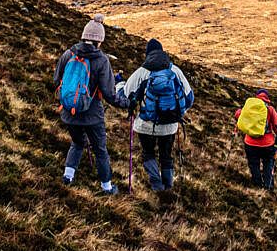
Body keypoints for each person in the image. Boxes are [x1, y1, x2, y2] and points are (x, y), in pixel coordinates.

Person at [54, 14, 127, 195]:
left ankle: (68, 176)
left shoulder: (68, 54)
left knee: (77, 143)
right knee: (100, 150)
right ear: (99, 41)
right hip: (93, 115)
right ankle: (107, 187)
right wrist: (126, 103)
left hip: (69, 112)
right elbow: (110, 94)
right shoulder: (101, 61)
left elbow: (57, 81)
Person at [121, 38, 194, 197]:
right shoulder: (175, 70)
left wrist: (119, 85)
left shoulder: (142, 71)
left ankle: (156, 185)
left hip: (145, 124)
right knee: (166, 155)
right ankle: (168, 186)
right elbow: (189, 98)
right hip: (169, 125)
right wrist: (177, 113)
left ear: (147, 54)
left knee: (148, 153)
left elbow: (126, 95)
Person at [235, 89, 277, 189]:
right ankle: (268, 186)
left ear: (256, 96)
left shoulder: (249, 107)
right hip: (267, 144)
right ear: (267, 98)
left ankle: (257, 185)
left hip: (250, 143)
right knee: (268, 164)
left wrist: (239, 112)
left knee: (253, 164)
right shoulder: (270, 109)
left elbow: (238, 115)